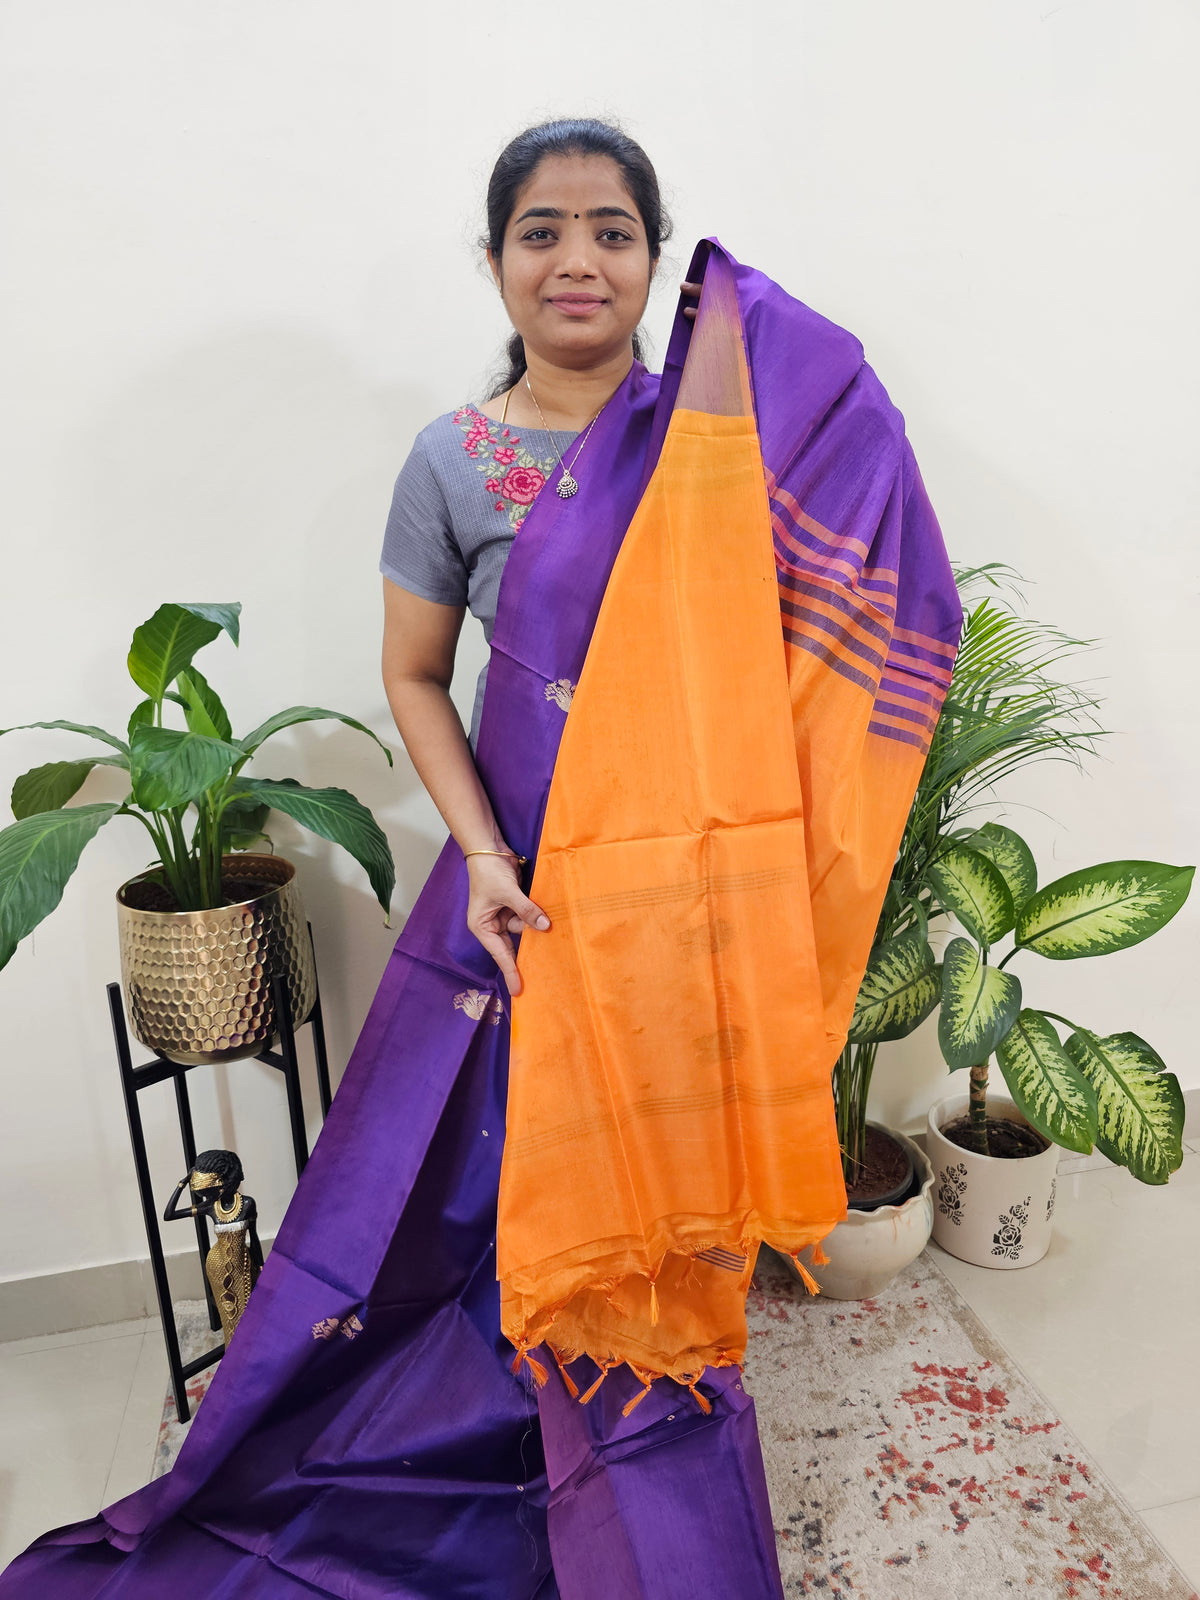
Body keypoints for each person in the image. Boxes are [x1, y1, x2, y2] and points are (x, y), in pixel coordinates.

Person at [0, 118, 961, 1599]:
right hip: (517, 880)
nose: (577, 260)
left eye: (613, 230)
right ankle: (468, 1405)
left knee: (645, 1189)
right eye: (541, 229)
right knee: (462, 1172)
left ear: (657, 258)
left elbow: (821, 632)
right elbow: (415, 676)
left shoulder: (724, 456)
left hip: (671, 890)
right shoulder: (454, 461)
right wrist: (484, 852)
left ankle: (633, 1432)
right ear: (497, 257)